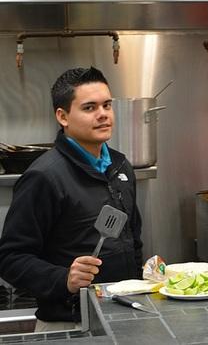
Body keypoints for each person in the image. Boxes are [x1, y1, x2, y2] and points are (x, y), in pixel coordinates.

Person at [0, 67, 143, 332]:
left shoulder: (121, 167)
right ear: (63, 116)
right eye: (89, 108)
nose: (103, 114)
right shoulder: (44, 177)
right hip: (68, 325)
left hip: (122, 318)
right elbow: (10, 258)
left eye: (107, 105)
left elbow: (133, 242)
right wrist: (63, 278)